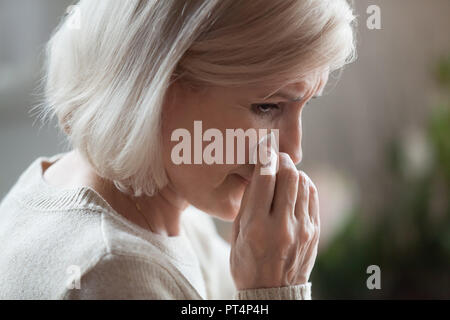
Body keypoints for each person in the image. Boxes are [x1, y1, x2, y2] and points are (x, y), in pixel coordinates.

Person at [0, 0, 356, 299]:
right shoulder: (113, 272)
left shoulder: (164, 202)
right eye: (267, 107)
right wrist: (275, 290)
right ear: (157, 89)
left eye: (304, 105)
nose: (293, 151)